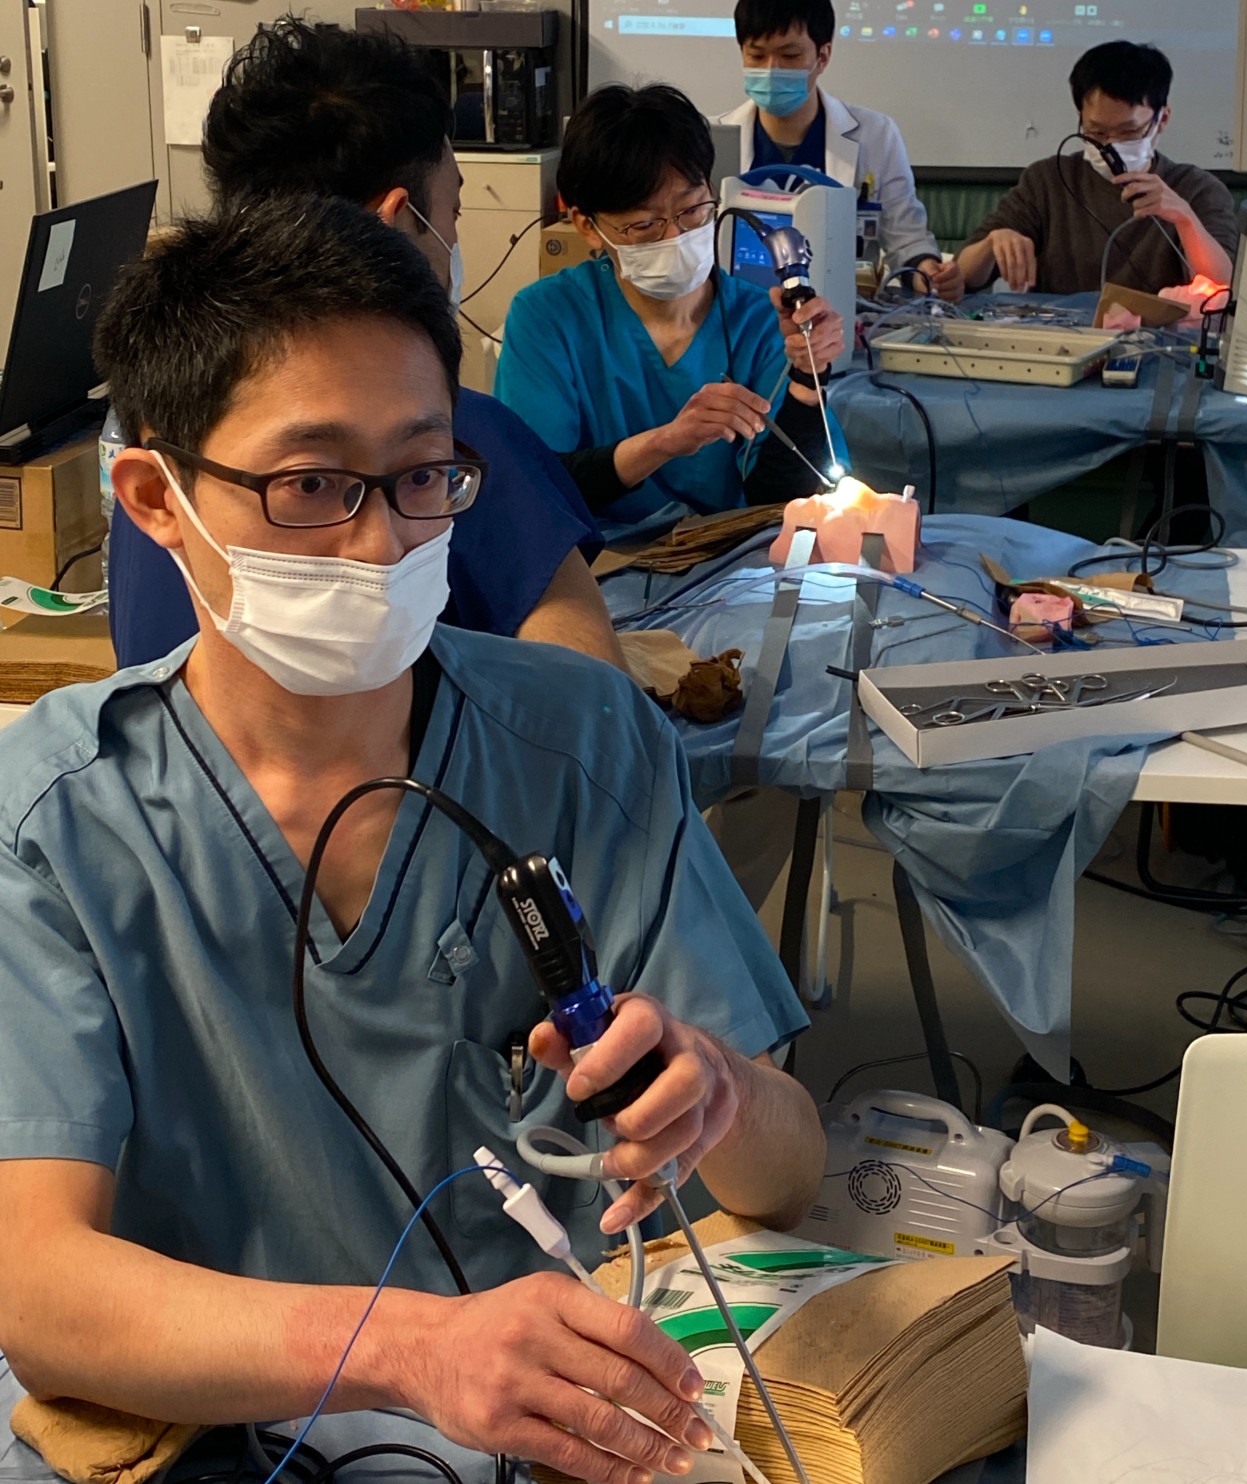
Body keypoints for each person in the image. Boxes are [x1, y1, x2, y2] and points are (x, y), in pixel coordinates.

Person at [0, 195, 825, 1484]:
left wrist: (719, 1092)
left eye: (423, 474)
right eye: (313, 484)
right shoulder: (60, 817)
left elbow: (786, 1178)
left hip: (545, 1438)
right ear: (158, 498)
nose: (383, 540)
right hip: (211, 1441)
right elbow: (38, 1288)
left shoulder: (579, 741)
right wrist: (415, 1345)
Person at [106, 18, 625, 671]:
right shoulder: (454, 441)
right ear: (397, 221)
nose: (376, 543)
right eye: (312, 483)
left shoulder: (170, 463)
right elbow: (602, 715)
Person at [494, 84, 846, 530]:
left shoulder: (760, 321)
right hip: (594, 566)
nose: (674, 237)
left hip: (727, 563)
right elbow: (532, 487)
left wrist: (805, 381)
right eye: (644, 224)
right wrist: (663, 443)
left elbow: (785, 500)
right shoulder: (548, 317)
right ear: (587, 225)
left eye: (692, 210)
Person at [716, 0, 962, 301]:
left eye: (790, 55)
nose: (771, 70)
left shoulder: (876, 135)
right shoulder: (712, 139)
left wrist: (930, 273)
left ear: (822, 56)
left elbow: (906, 239)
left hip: (840, 315)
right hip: (739, 314)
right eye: (757, 55)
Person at [956, 41, 1237, 297]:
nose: (1111, 145)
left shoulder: (1197, 188)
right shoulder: (1047, 180)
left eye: (1129, 132)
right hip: (1062, 342)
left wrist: (1184, 219)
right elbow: (964, 275)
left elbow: (1223, 286)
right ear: (1081, 118)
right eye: (1097, 132)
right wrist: (993, 243)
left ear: (1162, 119)